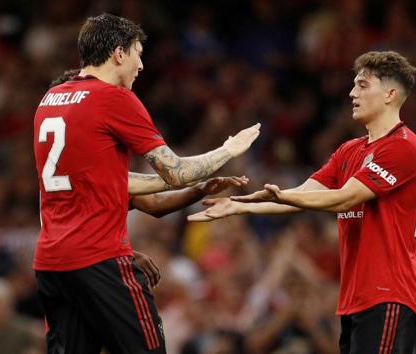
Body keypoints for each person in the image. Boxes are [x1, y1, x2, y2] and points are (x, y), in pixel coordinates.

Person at [33, 14, 260, 354]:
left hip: (52, 264)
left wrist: (199, 190)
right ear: (119, 54)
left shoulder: (48, 102)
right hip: (99, 258)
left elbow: (107, 182)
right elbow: (176, 172)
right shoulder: (113, 98)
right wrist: (229, 149)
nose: (141, 65)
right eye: (138, 53)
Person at [190, 51, 416, 354]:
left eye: (363, 85)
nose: (352, 92)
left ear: (390, 94)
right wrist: (241, 206)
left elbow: (345, 198)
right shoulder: (349, 151)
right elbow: (303, 194)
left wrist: (285, 196)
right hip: (355, 297)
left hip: (390, 292)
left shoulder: (403, 147)